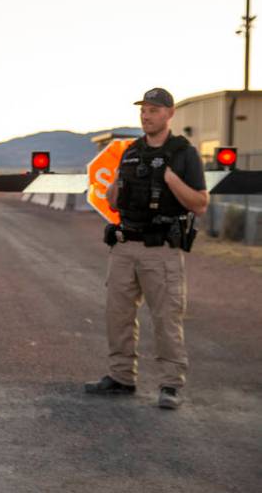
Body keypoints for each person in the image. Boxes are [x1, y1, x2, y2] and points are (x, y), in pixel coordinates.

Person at [86, 87, 208, 410]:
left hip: (161, 250)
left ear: (169, 114)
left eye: (154, 110)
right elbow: (113, 199)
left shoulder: (183, 154)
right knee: (118, 315)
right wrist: (115, 188)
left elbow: (200, 204)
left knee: (166, 318)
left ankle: (171, 385)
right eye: (143, 110)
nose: (146, 115)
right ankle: (121, 377)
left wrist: (171, 181)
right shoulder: (130, 152)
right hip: (125, 245)